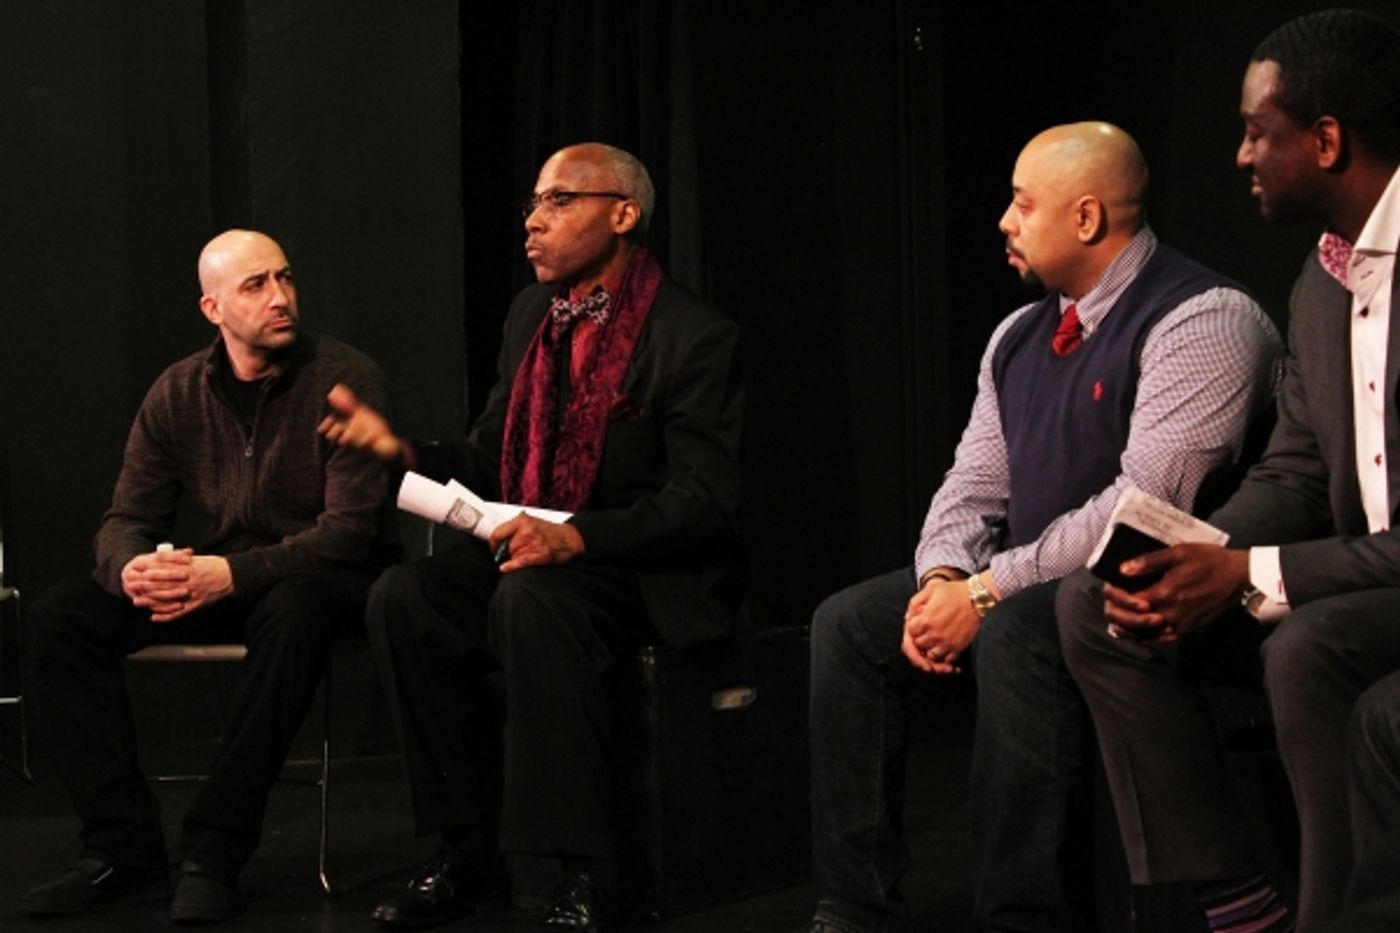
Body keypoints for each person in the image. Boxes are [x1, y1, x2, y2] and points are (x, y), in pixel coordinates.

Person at [807, 121, 1281, 933]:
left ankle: (1022, 917)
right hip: (1023, 578)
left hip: (1158, 592)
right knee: (848, 625)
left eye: (1024, 204)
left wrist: (988, 591)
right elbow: (974, 482)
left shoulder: (1206, 318)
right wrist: (944, 579)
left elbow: (1144, 503)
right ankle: (854, 907)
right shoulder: (1017, 334)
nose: (1004, 220)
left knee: (1019, 629)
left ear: (1088, 217)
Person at [318, 142, 743, 932]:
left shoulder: (693, 333)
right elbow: (489, 456)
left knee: (531, 600)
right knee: (404, 595)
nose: (532, 225)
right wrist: (400, 452)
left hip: (637, 568)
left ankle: (584, 868)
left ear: (623, 214)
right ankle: (464, 851)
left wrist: (579, 540)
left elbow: (703, 501)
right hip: (534, 555)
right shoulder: (531, 318)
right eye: (531, 205)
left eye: (557, 202)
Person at [1056, 10, 1400, 931]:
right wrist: (1186, 552)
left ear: (1326, 140)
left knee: (1305, 649)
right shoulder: (1323, 280)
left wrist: (1246, 573)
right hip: (1353, 577)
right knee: (1098, 602)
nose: (1241, 156)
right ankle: (1236, 894)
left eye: (1257, 132)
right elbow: (1293, 468)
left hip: (1373, 586)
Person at [23, 229, 396, 923]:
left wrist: (233, 572)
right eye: (255, 285)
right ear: (212, 308)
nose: (280, 297)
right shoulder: (178, 392)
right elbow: (125, 515)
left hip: (322, 581)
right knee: (60, 616)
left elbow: (349, 532)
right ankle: (122, 851)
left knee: (295, 611)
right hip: (225, 576)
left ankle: (214, 850)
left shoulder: (347, 379)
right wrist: (133, 566)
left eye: (285, 278)